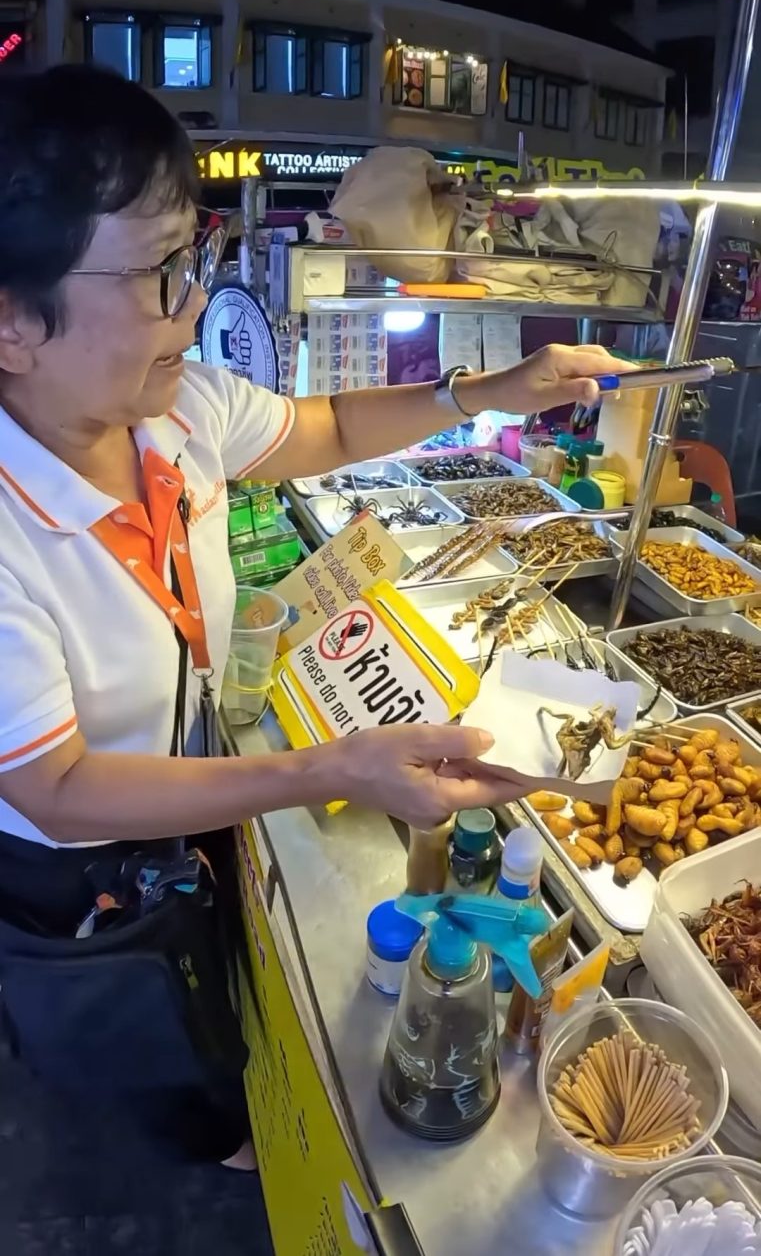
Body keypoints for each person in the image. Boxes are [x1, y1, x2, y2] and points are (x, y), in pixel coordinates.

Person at [0, 64, 619, 1164]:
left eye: (194, 260)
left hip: (189, 796)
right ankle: (207, 1142)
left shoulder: (176, 408)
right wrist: (330, 767)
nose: (195, 305)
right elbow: (59, 786)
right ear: (11, 321)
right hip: (77, 867)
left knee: (214, 975)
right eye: (158, 275)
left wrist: (489, 391)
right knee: (142, 1039)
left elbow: (322, 429)